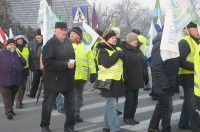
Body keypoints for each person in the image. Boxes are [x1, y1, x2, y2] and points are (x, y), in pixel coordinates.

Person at [40, 22, 77, 132]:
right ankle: (44, 126)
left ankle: (69, 127)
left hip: (68, 79)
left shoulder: (68, 42)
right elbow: (47, 63)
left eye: (65, 29)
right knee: (48, 105)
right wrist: (65, 64)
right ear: (55, 30)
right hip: (53, 81)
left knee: (71, 105)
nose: (64, 32)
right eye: (61, 29)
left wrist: (73, 66)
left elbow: (72, 58)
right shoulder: (50, 44)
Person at [148, 32, 180, 132]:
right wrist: (164, 83)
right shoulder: (159, 46)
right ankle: (166, 129)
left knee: (162, 105)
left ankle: (152, 127)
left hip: (169, 80)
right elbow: (157, 67)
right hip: (163, 82)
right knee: (167, 108)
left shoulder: (169, 45)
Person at [97, 29, 125, 132]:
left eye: (115, 37)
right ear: (107, 39)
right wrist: (117, 54)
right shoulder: (103, 50)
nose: (114, 39)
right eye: (112, 38)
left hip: (117, 81)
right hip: (107, 82)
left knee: (110, 105)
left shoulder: (117, 49)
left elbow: (124, 62)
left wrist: (121, 54)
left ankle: (107, 126)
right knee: (112, 105)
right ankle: (114, 129)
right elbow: (107, 63)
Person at [70, 27, 96, 122]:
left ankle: (76, 113)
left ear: (79, 35)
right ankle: (70, 115)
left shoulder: (86, 46)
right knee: (70, 97)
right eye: (70, 33)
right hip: (70, 76)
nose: (71, 34)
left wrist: (93, 73)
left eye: (73, 33)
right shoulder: (68, 45)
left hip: (82, 76)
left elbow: (91, 61)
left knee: (79, 96)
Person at [178, 22, 200, 131]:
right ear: (190, 30)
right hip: (187, 77)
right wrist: (196, 67)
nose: (198, 31)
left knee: (188, 101)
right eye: (196, 29)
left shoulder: (197, 41)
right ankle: (196, 126)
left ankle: (183, 122)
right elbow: (181, 61)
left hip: (195, 77)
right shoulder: (184, 42)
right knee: (193, 103)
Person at [122, 32, 146, 125]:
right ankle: (127, 117)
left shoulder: (138, 50)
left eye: (136, 39)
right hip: (129, 79)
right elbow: (123, 66)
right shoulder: (124, 51)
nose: (135, 41)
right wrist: (125, 77)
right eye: (133, 40)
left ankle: (132, 116)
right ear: (129, 41)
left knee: (135, 100)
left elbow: (143, 63)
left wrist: (145, 75)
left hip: (138, 78)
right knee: (130, 100)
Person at [0, 39, 26, 120]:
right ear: (7, 45)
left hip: (16, 80)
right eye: (11, 45)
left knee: (12, 96)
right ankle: (9, 112)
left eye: (14, 45)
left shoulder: (17, 53)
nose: (13, 46)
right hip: (4, 80)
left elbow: (24, 63)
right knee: (6, 96)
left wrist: (22, 58)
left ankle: (9, 109)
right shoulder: (1, 54)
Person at [14, 32, 34, 109]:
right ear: (16, 40)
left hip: (25, 69)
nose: (20, 40)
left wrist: (32, 67)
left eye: (21, 39)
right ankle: (18, 102)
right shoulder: (14, 47)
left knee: (23, 87)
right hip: (16, 70)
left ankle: (20, 101)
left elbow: (30, 57)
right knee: (18, 86)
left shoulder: (27, 47)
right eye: (18, 39)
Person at [27, 29, 43, 98]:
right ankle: (32, 94)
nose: (37, 37)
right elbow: (31, 55)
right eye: (37, 35)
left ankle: (46, 94)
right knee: (35, 81)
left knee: (46, 81)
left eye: (39, 35)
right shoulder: (33, 43)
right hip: (36, 65)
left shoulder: (45, 43)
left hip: (44, 65)